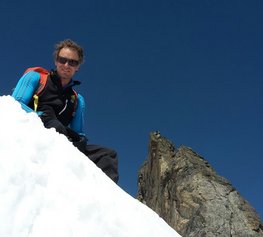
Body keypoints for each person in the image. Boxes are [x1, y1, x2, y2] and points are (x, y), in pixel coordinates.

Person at [12, 39, 119, 183]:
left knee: (107, 155)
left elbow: (78, 132)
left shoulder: (77, 99)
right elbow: (15, 104)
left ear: (78, 67)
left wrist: (79, 140)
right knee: (56, 126)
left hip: (63, 140)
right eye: (63, 60)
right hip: (34, 134)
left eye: (72, 62)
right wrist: (38, 117)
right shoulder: (37, 78)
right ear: (56, 61)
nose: (66, 65)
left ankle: (106, 196)